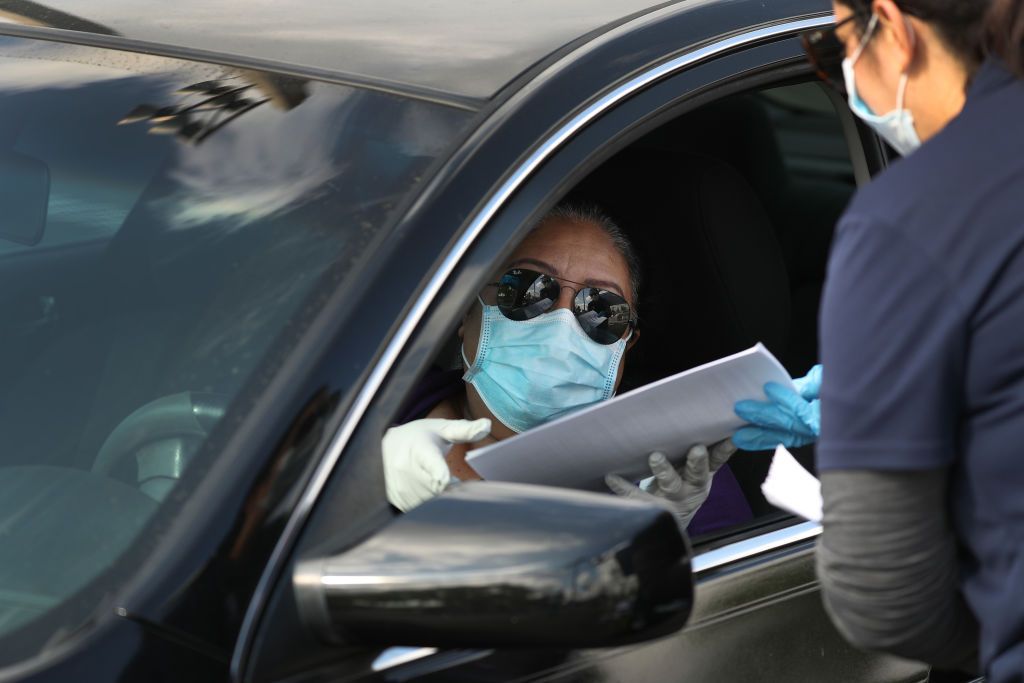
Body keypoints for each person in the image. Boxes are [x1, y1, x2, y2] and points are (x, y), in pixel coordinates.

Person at [736, 0, 1024, 679]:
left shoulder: (913, 219)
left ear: (892, 27)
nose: (847, 77)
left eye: (835, 47)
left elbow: (887, 595)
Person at [383, 203, 753, 535]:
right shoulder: (376, 400)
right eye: (528, 289)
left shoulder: (675, 471)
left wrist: (646, 552)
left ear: (625, 347)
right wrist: (363, 475)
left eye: (602, 310)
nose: (561, 322)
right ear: (469, 310)